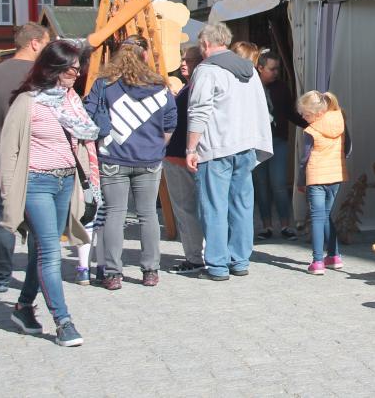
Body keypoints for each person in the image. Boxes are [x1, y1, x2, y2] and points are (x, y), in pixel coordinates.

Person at [0, 40, 99, 347]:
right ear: (53, 67)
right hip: (36, 183)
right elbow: (10, 150)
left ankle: (24, 306)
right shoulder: (28, 102)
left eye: (78, 65)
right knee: (51, 254)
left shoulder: (71, 101)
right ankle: (63, 321)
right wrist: (7, 194)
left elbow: (86, 138)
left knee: (42, 251)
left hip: (64, 183)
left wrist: (91, 181)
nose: (76, 71)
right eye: (71, 66)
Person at [84, 35, 176, 290]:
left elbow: (89, 115)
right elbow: (170, 122)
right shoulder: (159, 86)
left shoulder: (104, 84)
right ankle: (150, 271)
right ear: (145, 55)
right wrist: (157, 146)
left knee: (115, 213)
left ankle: (113, 274)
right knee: (147, 214)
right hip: (149, 158)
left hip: (113, 156)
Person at [186, 22, 273, 281]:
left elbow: (199, 110)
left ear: (205, 44)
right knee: (242, 205)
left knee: (214, 206)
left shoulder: (207, 70)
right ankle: (240, 260)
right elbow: (260, 107)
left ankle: (217, 264)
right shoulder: (249, 69)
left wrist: (191, 147)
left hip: (216, 147)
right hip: (245, 146)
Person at [0, 22, 50, 292]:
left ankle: (1, 277)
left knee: (4, 214)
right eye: (46, 41)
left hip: (1, 153)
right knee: (38, 218)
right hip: (38, 153)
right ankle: (36, 275)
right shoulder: (41, 75)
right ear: (34, 43)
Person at [164, 46, 206, 274]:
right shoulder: (190, 87)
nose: (183, 63)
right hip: (183, 155)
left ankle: (195, 258)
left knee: (186, 210)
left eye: (188, 60)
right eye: (182, 59)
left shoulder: (194, 89)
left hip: (182, 155)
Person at [257, 50, 306, 241]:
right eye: (272, 69)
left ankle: (285, 225)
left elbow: (290, 113)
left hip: (277, 140)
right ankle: (266, 226)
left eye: (277, 68)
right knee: (261, 185)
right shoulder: (250, 87)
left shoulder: (282, 88)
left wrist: (310, 125)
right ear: (260, 68)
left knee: (278, 183)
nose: (276, 72)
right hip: (257, 142)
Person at [297, 91, 347, 275]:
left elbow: (304, 158)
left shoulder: (311, 130)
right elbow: (348, 148)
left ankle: (318, 261)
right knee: (326, 215)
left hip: (316, 176)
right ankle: (334, 256)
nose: (303, 117)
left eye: (306, 114)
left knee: (317, 217)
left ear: (318, 114)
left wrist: (300, 180)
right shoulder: (340, 120)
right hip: (336, 174)